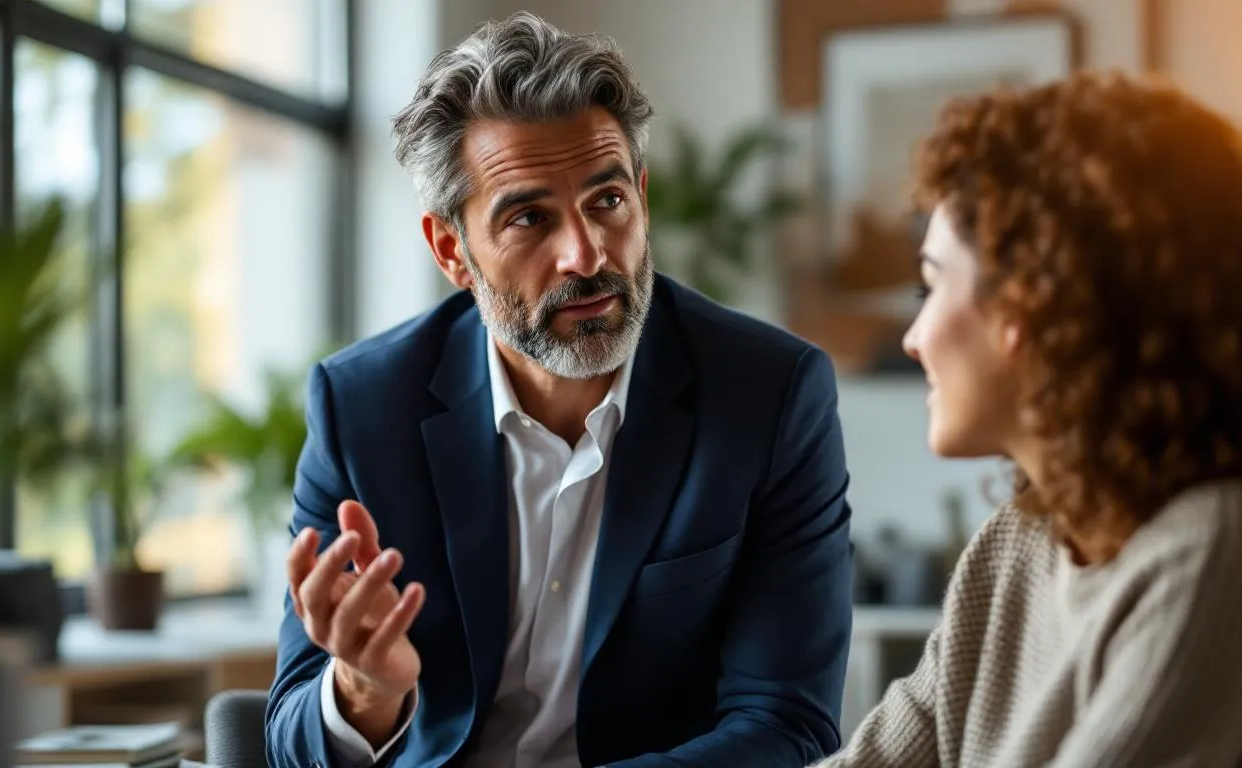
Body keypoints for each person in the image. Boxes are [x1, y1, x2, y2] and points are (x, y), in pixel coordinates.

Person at [264, 11, 855, 768]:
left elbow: (787, 723)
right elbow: (287, 741)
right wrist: (363, 691)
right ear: (452, 250)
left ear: (641, 197)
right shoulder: (363, 408)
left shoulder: (769, 395)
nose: (586, 255)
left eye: (607, 202)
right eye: (529, 218)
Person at [818, 71, 1242, 767]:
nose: (913, 338)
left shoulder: (1208, 555)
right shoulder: (1016, 541)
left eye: (931, 286)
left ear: (1028, 304)